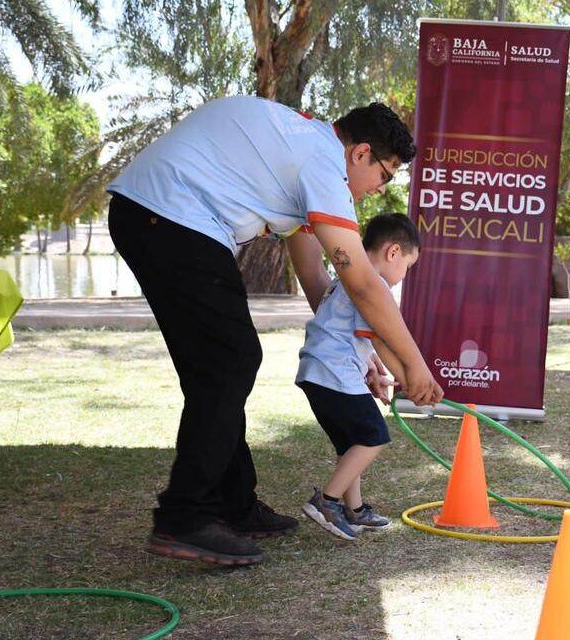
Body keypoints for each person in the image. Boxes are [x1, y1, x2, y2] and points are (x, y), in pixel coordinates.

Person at [106, 96, 443, 566]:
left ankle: (232, 504)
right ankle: (185, 516)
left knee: (218, 365)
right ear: (361, 153)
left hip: (156, 213)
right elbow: (364, 284)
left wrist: (356, 351)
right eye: (384, 174)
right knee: (231, 360)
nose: (379, 189)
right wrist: (415, 366)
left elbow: (314, 277)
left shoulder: (303, 152)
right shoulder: (323, 164)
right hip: (169, 215)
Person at [297, 213, 419, 540]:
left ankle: (355, 509)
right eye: (408, 266)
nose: (404, 275)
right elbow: (380, 338)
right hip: (333, 373)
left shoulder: (345, 280)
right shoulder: (372, 285)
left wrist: (371, 373)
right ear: (393, 252)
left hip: (319, 373)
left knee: (352, 443)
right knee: (373, 435)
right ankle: (327, 501)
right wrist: (407, 379)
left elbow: (352, 338)